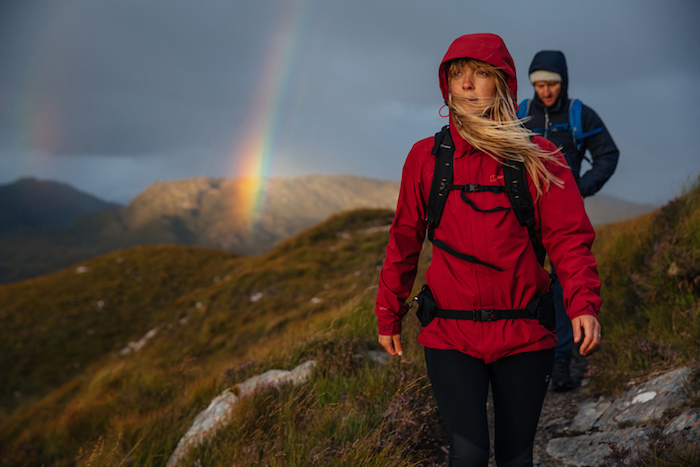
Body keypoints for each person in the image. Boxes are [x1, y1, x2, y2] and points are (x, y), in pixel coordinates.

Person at [375, 33, 602, 467]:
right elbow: (404, 238)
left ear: (502, 82)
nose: (465, 83)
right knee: (469, 454)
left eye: (479, 73)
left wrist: (583, 304)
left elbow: (569, 239)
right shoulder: (425, 158)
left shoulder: (542, 157)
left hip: (525, 333)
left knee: (516, 457)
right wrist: (389, 311)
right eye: (457, 74)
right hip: (450, 333)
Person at [521, 50, 619, 391]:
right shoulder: (518, 114)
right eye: (540, 84)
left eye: (552, 84)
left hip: (563, 215)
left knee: (565, 285)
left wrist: (580, 189)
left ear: (563, 83)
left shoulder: (580, 115)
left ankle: (561, 361)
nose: (546, 90)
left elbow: (608, 154)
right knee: (526, 284)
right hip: (525, 220)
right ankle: (526, 358)